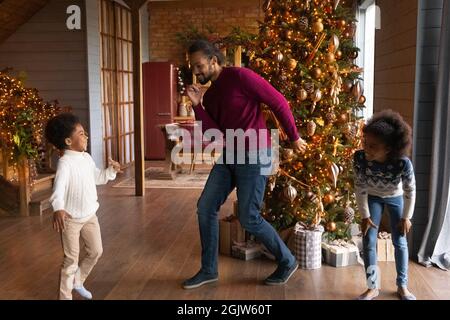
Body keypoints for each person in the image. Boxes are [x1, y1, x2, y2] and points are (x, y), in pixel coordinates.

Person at [182, 39, 307, 289]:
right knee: (205, 207)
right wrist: (197, 106)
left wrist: (294, 137)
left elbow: (278, 101)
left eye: (199, 66)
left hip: (256, 153)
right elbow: (214, 135)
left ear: (214, 61)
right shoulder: (212, 94)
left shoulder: (240, 76)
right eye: (193, 67)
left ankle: (287, 260)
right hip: (230, 154)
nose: (195, 72)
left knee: (249, 218)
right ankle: (209, 270)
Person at [45, 113, 121, 300]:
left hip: (90, 216)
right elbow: (58, 189)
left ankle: (78, 280)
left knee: (96, 251)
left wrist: (111, 171)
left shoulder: (86, 158)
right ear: (69, 141)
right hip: (70, 221)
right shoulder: (65, 163)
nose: (86, 136)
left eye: (85, 132)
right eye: (81, 133)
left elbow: (97, 177)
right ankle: (65, 297)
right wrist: (58, 208)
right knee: (71, 260)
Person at [353, 109, 416, 300]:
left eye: (373, 146)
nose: (366, 149)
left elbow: (410, 191)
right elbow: (360, 187)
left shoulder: (403, 164)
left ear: (389, 148)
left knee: (400, 241)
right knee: (369, 241)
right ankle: (373, 287)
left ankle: (402, 286)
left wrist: (406, 217)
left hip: (395, 197)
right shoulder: (360, 158)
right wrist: (365, 215)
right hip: (371, 197)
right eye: (365, 143)